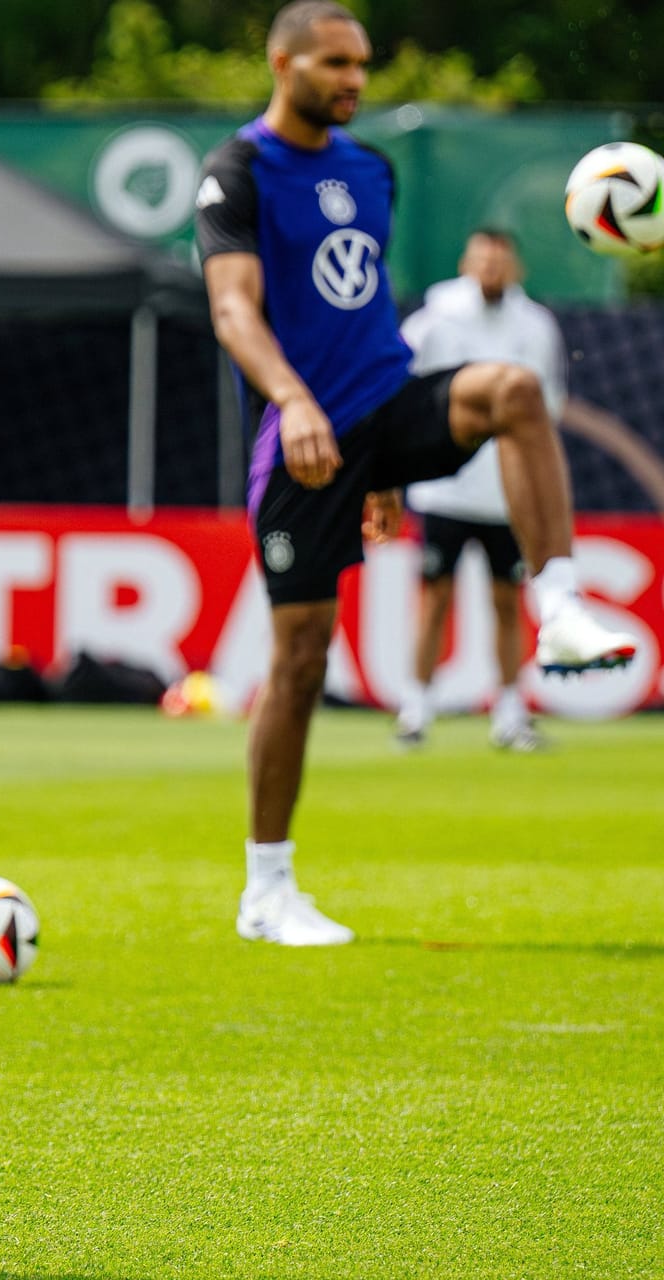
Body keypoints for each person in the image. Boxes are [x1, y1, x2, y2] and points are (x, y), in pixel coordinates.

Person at [196, 0, 635, 947]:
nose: (354, 79)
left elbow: (360, 303)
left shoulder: (372, 168)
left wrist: (388, 465)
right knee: (301, 657)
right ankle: (266, 889)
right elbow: (234, 313)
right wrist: (297, 400)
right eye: (335, 62)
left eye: (362, 63)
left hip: (385, 405)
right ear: (283, 61)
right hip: (299, 439)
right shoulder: (237, 171)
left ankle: (556, 601)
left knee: (515, 391)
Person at [393, 229, 567, 752]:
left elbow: (547, 408)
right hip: (444, 487)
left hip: (504, 493)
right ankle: (416, 708)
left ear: (515, 268)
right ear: (467, 263)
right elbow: (405, 390)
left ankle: (510, 713)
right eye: (482, 260)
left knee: (507, 601)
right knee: (435, 597)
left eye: (500, 262)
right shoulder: (435, 318)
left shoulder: (536, 326)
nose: (491, 270)